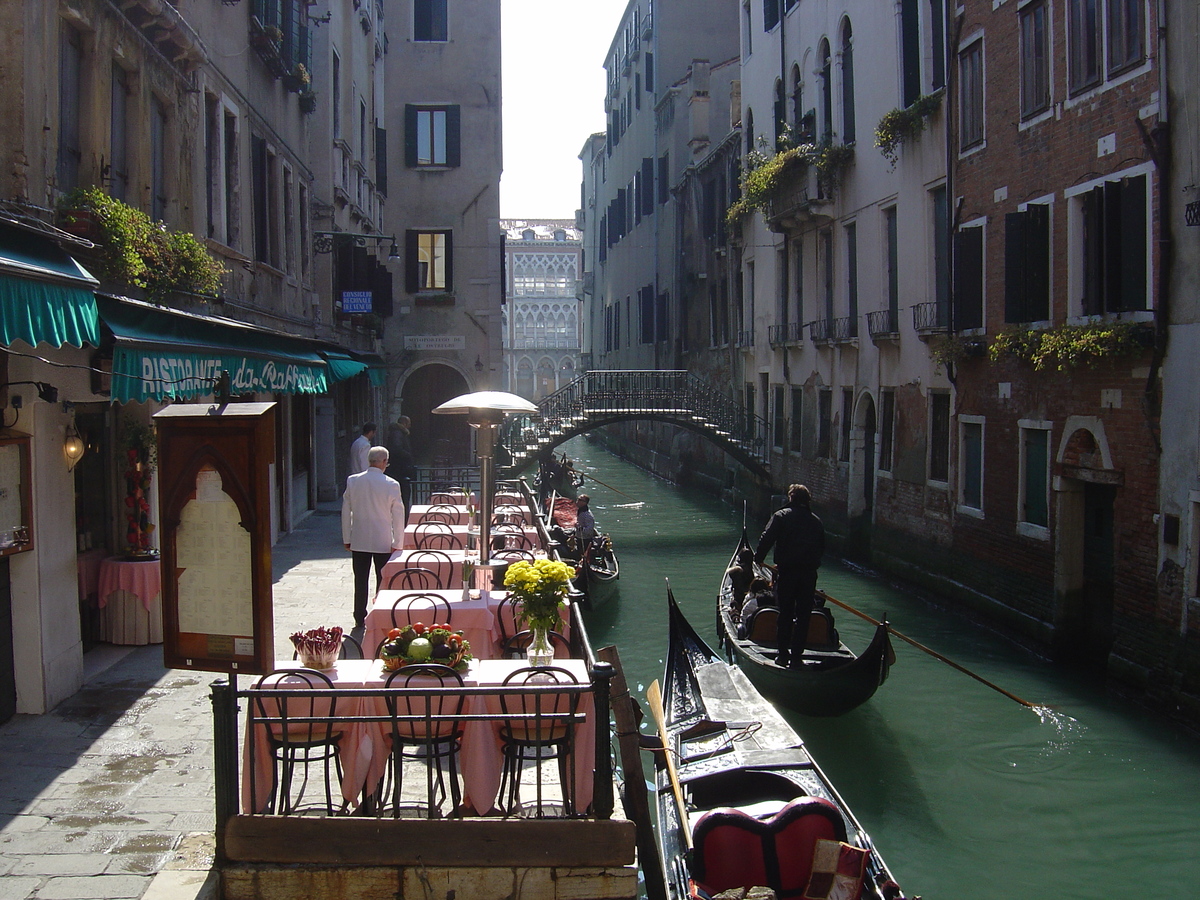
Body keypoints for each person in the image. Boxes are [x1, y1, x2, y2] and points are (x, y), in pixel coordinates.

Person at [753, 484, 824, 668]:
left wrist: (759, 558)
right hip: (808, 575)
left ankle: (783, 656)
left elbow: (766, 538)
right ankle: (797, 657)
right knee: (803, 616)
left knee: (785, 614)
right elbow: (821, 548)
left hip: (787, 573)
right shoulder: (816, 521)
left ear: (791, 498)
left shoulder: (781, 516)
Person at [341, 445, 406, 628]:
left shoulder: (353, 481)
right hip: (383, 539)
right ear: (384, 462)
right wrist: (398, 542)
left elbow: (346, 512)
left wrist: (347, 537)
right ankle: (381, 612)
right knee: (382, 579)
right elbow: (398, 515)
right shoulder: (391, 484)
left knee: (360, 580)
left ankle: (359, 616)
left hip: (360, 538)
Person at [384, 415, 417, 517]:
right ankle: (403, 520)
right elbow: (396, 450)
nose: (410, 426)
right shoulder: (397, 434)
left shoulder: (398, 433)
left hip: (399, 471)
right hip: (399, 472)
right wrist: (408, 456)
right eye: (409, 424)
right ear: (405, 424)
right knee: (403, 498)